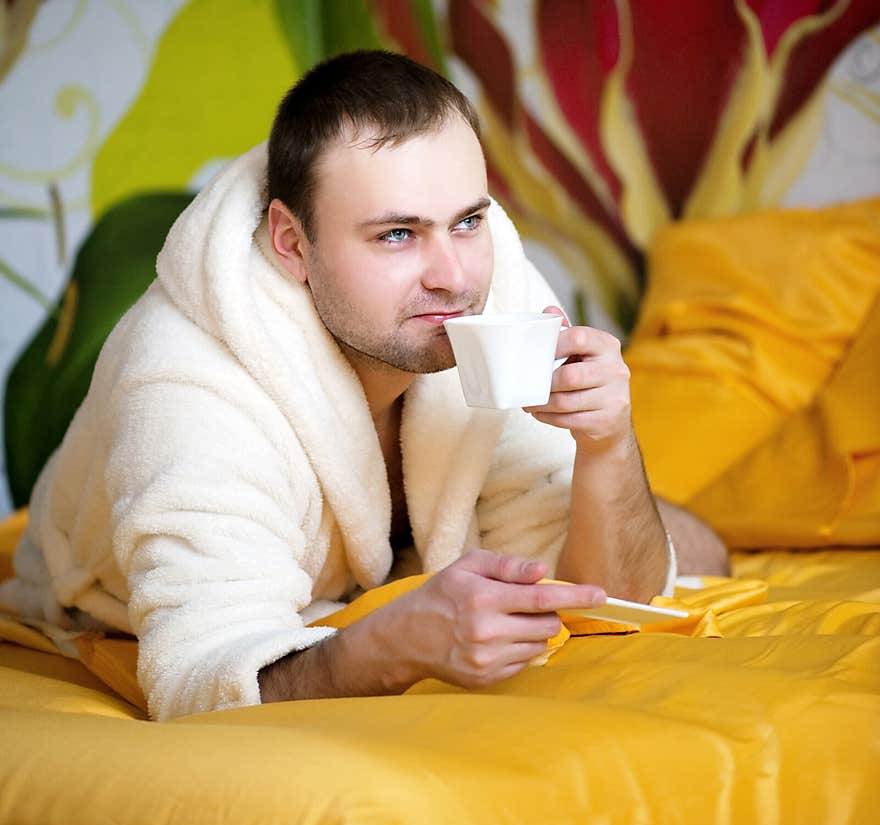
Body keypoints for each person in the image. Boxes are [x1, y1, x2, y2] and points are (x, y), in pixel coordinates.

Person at [0, 51, 729, 720]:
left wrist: (606, 446)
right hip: (108, 597)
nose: (455, 275)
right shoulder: (187, 384)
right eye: (397, 235)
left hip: (377, 563)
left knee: (697, 549)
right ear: (292, 244)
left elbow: (608, 598)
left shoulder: (489, 282)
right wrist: (388, 647)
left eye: (467, 220)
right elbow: (196, 682)